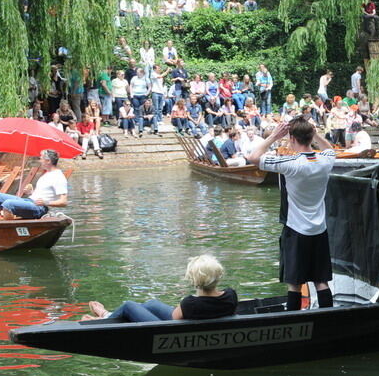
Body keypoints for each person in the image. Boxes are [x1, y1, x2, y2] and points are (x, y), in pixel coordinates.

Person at [246, 117, 337, 311]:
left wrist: (272, 136)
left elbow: (253, 157)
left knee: (295, 282)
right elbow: (330, 149)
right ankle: (329, 320)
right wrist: (316, 134)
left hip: (296, 229)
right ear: (310, 136)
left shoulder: (291, 163)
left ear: (293, 138)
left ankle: (294, 322)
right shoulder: (325, 161)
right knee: (321, 281)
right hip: (319, 229)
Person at [82, 254, 238, 322]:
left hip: (170, 331)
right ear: (218, 275)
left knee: (129, 305)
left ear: (193, 280)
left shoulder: (190, 303)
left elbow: (174, 319)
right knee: (151, 304)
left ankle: (106, 317)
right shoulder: (231, 295)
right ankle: (111, 316)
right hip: (194, 318)